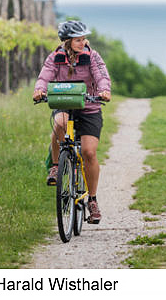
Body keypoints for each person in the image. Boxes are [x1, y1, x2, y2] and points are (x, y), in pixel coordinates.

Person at [33, 20, 111, 224]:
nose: (83, 42)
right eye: (79, 39)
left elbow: (101, 75)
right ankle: (56, 165)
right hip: (65, 104)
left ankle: (92, 200)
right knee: (59, 123)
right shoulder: (55, 58)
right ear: (67, 41)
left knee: (89, 152)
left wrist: (104, 90)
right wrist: (39, 89)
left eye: (84, 39)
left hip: (90, 108)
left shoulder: (92, 56)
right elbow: (44, 76)